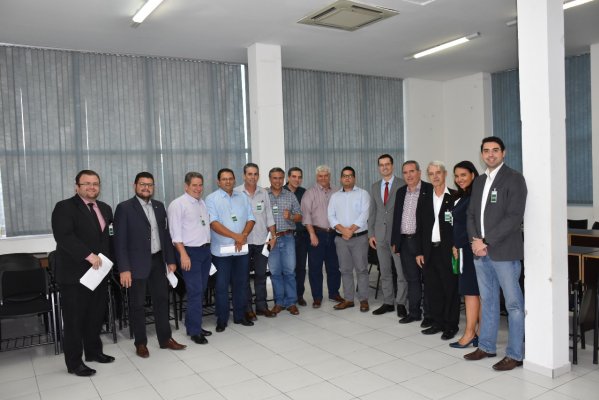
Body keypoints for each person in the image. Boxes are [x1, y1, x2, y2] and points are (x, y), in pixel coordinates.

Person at [465, 136, 527, 371]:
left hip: (504, 252)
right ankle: (487, 346)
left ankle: (515, 354)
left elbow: (514, 217)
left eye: (495, 150)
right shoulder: (480, 181)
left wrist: (486, 241)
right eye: (486, 151)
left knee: (513, 304)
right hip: (480, 252)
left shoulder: (514, 179)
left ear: (503, 152)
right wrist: (475, 241)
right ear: (481, 154)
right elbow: (471, 214)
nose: (490, 154)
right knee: (488, 301)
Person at [114, 172, 187, 356]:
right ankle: (140, 343)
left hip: (158, 261)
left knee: (162, 301)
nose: (146, 188)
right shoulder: (124, 208)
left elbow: (165, 235)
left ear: (153, 187)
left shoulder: (159, 206)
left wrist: (171, 260)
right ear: (135, 186)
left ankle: (165, 339)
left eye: (149, 185)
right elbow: (119, 242)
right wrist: (124, 269)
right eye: (142, 184)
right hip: (135, 264)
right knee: (137, 305)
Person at [51, 170, 114, 376]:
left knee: (95, 316)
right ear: (77, 186)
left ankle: (94, 352)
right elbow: (64, 237)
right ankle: (74, 363)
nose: (91, 187)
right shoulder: (64, 207)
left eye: (95, 183)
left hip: (99, 274)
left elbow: (108, 237)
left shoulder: (105, 208)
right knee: (74, 321)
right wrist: (89, 255)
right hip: (75, 275)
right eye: (86, 183)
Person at [206, 168, 256, 332]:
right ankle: (222, 319)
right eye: (224, 179)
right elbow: (213, 223)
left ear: (234, 180)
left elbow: (251, 218)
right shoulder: (211, 199)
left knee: (240, 284)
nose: (228, 181)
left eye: (230, 178)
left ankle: (240, 316)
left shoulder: (242, 197)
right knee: (221, 287)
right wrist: (236, 236)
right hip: (221, 252)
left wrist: (244, 235)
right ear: (218, 182)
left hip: (241, 251)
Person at [415, 161, 459, 340]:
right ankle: (438, 322)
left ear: (445, 174)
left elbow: (460, 226)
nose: (435, 176)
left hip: (448, 251)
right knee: (433, 290)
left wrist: (457, 246)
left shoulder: (455, 197)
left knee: (450, 289)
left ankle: (451, 325)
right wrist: (419, 251)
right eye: (431, 173)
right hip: (429, 251)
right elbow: (420, 227)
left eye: (438, 172)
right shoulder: (424, 198)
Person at [168, 172, 213, 344]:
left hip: (204, 251)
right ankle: (194, 331)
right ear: (186, 186)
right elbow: (175, 234)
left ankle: (193, 324)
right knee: (195, 291)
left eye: (200, 185)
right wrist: (183, 254)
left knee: (201, 290)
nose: (198, 188)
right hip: (189, 253)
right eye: (194, 185)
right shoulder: (178, 204)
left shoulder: (202, 203)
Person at [390, 161, 433, 326]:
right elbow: (397, 218)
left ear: (419, 172)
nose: (409, 175)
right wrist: (396, 241)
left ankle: (429, 315)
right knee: (412, 279)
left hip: (423, 242)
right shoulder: (401, 192)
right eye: (405, 172)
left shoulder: (429, 190)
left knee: (428, 280)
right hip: (405, 242)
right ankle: (414, 313)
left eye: (412, 171)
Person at [235, 163, 277, 320]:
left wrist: (273, 236)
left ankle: (261, 307)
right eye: (250, 174)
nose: (253, 177)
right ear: (244, 175)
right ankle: (247, 309)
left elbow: (269, 215)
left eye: (255, 174)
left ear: (258, 175)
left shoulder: (263, 193)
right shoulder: (236, 192)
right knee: (244, 277)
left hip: (261, 241)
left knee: (261, 275)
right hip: (243, 241)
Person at [368, 154, 408, 317]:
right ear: (379, 167)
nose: (384, 167)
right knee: (384, 271)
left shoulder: (402, 184)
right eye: (381, 165)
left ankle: (401, 303)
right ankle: (388, 302)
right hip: (380, 236)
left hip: (397, 236)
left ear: (392, 165)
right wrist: (371, 233)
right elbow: (373, 211)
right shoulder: (374, 186)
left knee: (401, 272)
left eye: (387, 164)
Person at [328, 166, 371, 312]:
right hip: (341, 239)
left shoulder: (363, 194)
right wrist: (343, 230)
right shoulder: (335, 196)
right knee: (345, 270)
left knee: (361, 269)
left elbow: (364, 215)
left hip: (359, 238)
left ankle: (363, 300)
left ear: (354, 178)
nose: (347, 178)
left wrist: (350, 230)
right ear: (341, 178)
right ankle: (348, 299)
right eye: (345, 176)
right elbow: (331, 216)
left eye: (350, 175)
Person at [301, 165, 343, 308]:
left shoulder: (337, 191)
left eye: (326, 175)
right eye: (320, 176)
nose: (323, 178)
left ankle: (334, 293)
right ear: (316, 177)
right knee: (315, 268)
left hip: (334, 234)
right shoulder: (309, 193)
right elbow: (306, 216)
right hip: (316, 233)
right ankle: (317, 297)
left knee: (334, 266)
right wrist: (312, 234)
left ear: (329, 176)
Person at [449, 161, 480, 349]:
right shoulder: (462, 195)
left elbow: (472, 225)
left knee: (471, 292)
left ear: (473, 175)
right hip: (463, 248)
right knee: (473, 292)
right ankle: (478, 333)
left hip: (470, 249)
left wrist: (459, 244)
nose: (459, 179)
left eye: (463, 175)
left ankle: (470, 333)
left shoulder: (474, 196)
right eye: (457, 175)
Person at [268, 167, 302, 315]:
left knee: (289, 271)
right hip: (271, 239)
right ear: (270, 179)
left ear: (284, 179)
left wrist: (291, 217)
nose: (278, 181)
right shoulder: (264, 195)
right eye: (275, 178)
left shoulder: (290, 195)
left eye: (280, 178)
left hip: (287, 237)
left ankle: (291, 302)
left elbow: (300, 216)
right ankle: (279, 302)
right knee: (275, 272)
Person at [284, 167, 309, 307]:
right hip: (285, 236)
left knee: (300, 268)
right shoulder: (280, 191)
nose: (297, 179)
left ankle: (299, 295)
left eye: (299, 177)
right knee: (287, 269)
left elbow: (306, 214)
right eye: (294, 176)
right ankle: (287, 296)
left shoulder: (304, 193)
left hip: (301, 236)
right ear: (288, 177)